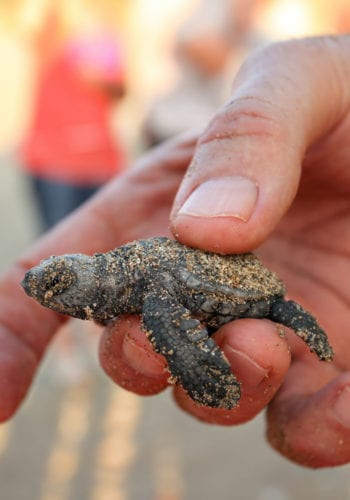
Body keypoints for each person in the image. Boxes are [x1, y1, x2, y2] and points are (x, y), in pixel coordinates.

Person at [1, 35, 350, 469]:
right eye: (51, 287)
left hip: (249, 286)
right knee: (149, 344)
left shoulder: (147, 292)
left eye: (58, 284)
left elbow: (167, 315)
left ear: (90, 277)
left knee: (266, 316)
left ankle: (286, 334)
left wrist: (209, 378)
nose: (49, 291)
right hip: (201, 282)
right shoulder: (120, 281)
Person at [21, 8, 127, 231]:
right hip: (55, 161)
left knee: (98, 242)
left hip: (101, 160)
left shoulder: (107, 34)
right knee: (56, 245)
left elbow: (122, 89)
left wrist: (97, 79)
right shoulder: (53, 29)